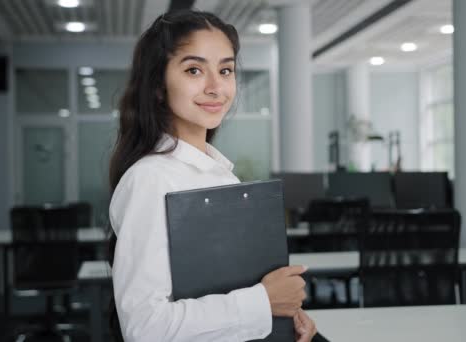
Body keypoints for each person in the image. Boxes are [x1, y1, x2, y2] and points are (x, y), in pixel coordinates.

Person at [107, 9, 317, 342]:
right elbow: (145, 329)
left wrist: (282, 315)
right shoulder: (151, 180)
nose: (216, 86)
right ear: (158, 85)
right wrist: (263, 302)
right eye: (194, 70)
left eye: (226, 70)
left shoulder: (221, 177)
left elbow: (227, 294)